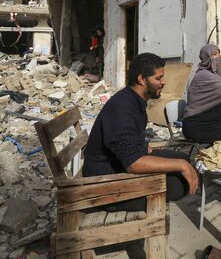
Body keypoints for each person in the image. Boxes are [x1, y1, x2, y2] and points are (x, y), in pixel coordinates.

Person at [82, 53, 199, 211]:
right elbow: (133, 164)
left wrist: (145, 149)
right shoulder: (123, 109)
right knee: (180, 182)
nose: (163, 82)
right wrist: (182, 166)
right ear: (141, 79)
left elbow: (128, 142)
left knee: (182, 157)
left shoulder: (134, 99)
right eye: (158, 78)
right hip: (104, 184)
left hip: (118, 164)